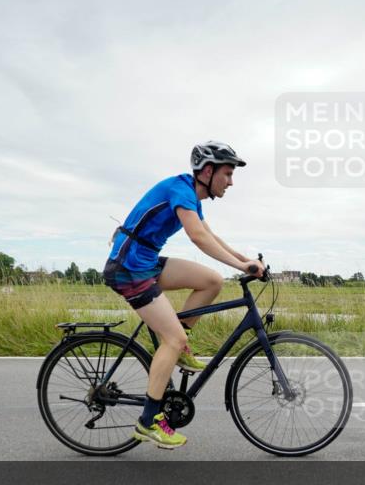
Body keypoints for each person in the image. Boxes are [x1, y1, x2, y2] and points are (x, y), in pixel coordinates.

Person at [103, 141, 264, 449]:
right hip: (128, 268)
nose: (230, 182)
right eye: (227, 174)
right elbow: (198, 236)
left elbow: (211, 235)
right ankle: (148, 421)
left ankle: (180, 348)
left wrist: (247, 262)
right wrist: (242, 265)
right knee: (172, 339)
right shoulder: (180, 189)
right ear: (208, 171)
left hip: (145, 262)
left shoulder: (190, 195)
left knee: (212, 281)